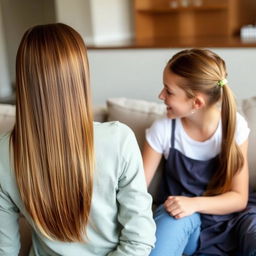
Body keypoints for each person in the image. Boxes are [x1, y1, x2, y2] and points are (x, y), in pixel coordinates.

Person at [0, 23, 156, 256]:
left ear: (24, 78)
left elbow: (6, 250)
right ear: (80, 75)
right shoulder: (118, 139)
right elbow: (139, 239)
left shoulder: (4, 152)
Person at [143, 48, 256, 256]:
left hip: (234, 218)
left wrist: (194, 204)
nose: (161, 95)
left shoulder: (235, 126)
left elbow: (239, 198)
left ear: (196, 103)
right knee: (171, 219)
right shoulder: (164, 129)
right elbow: (137, 190)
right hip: (184, 218)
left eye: (168, 91)